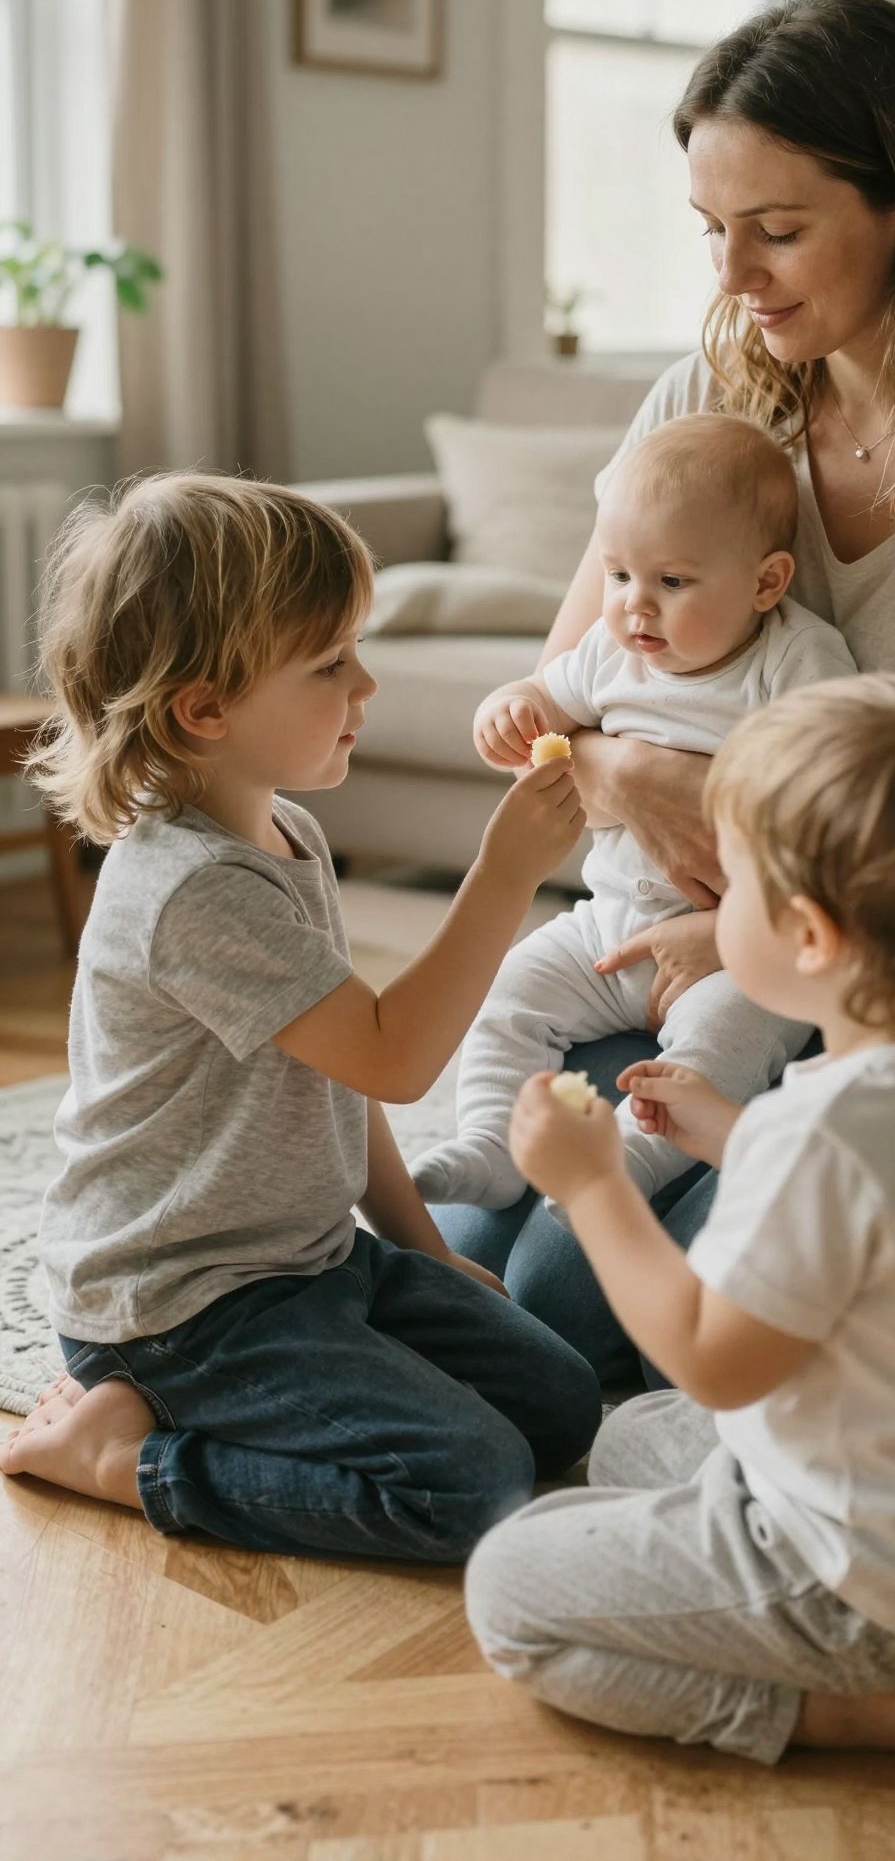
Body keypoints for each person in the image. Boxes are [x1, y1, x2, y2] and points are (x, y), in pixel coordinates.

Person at [434, 0, 895, 1377]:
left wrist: (721, 866)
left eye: (776, 231)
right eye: (712, 230)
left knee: (710, 1332)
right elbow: (563, 718)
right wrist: (634, 779)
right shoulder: (701, 409)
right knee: (515, 1280)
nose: (732, 276)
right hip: (690, 965)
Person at [466, 672, 895, 1765]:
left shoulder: (827, 1141)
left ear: (806, 934)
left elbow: (714, 1359)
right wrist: (721, 1127)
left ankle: (838, 1708)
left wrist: (594, 1186)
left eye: (729, 881)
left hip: (869, 1597)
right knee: (628, 1436)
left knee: (509, 1586)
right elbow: (882, 1202)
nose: (699, 896)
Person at [0, 473, 602, 1560]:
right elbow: (397, 1054)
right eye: (331, 663)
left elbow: (342, 1073)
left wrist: (422, 1248)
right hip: (183, 1309)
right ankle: (126, 1458)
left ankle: (217, 1402)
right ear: (204, 707)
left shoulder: (288, 836)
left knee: (560, 1402)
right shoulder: (192, 889)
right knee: (474, 1484)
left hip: (304, 1260)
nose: (366, 682)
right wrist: (505, 874)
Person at [412, 411, 853, 1214]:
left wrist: (740, 929)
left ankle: (628, 1163)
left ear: (766, 582)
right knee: (507, 996)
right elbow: (547, 699)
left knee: (720, 1051)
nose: (635, 607)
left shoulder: (796, 661)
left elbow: (833, 807)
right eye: (618, 577)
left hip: (738, 952)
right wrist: (511, 707)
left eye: (672, 582)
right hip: (604, 928)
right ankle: (487, 1138)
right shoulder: (613, 654)